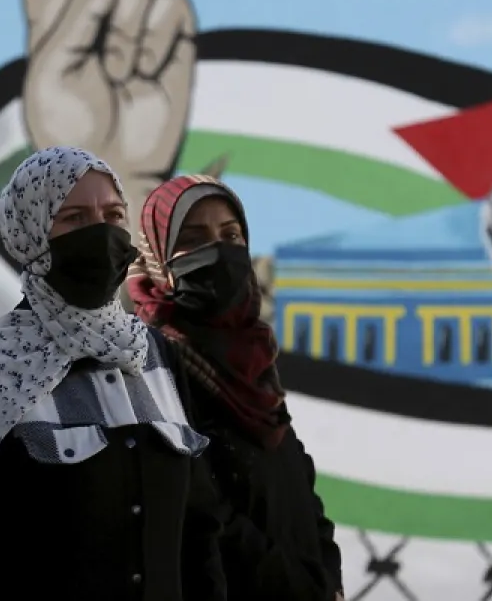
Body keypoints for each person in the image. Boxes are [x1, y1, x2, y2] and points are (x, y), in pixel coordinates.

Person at [0, 147, 226, 601]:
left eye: (113, 215)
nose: (101, 232)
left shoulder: (154, 355)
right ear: (32, 234)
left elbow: (198, 536)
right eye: (75, 218)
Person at [129, 175, 345, 601]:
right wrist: (302, 589)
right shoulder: (151, 368)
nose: (218, 250)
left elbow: (298, 479)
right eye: (193, 239)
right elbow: (201, 513)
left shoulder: (252, 358)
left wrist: (329, 576)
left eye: (230, 235)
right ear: (158, 259)